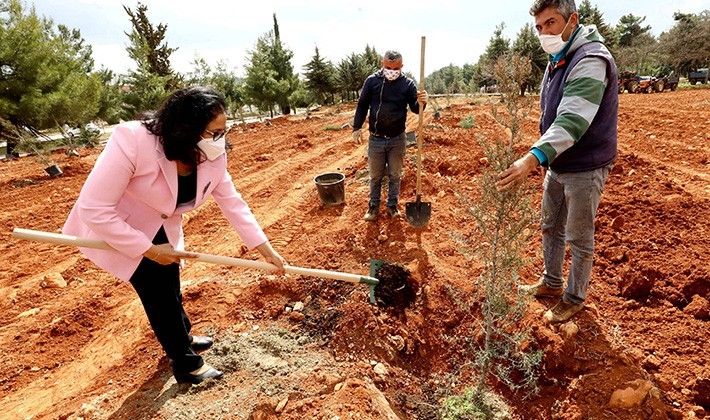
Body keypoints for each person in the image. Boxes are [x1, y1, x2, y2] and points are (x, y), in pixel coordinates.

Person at [62, 86, 287, 384]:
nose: (221, 140)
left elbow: (232, 202)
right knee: (160, 297)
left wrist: (265, 249)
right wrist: (149, 249)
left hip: (163, 226)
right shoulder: (132, 140)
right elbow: (95, 207)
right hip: (123, 228)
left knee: (172, 287)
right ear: (186, 129)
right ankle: (186, 363)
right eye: (213, 132)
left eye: (223, 131)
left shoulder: (212, 154)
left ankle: (184, 336)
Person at [496, 0, 618, 323]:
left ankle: (574, 297)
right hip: (560, 162)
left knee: (578, 235)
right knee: (550, 224)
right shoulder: (557, 60)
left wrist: (531, 159)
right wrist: (545, 156)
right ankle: (551, 282)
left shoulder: (590, 58)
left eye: (550, 23)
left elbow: (571, 121)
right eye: (538, 27)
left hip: (586, 164)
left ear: (572, 20)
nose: (544, 33)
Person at [352, 50, 428, 221]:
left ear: (401, 66)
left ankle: (392, 206)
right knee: (375, 176)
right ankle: (373, 206)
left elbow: (416, 109)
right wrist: (357, 127)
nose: (391, 71)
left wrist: (423, 101)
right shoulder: (372, 82)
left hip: (397, 139)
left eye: (395, 68)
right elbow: (362, 104)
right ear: (382, 64)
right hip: (376, 138)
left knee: (395, 175)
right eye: (388, 67)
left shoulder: (407, 84)